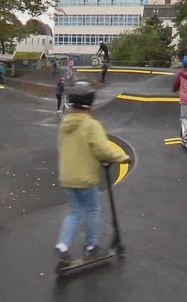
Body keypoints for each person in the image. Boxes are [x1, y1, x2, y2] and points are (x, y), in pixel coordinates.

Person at [55, 81, 131, 266]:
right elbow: (103, 149)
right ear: (90, 103)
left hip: (68, 176)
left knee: (75, 212)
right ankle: (91, 246)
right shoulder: (91, 125)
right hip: (86, 178)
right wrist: (122, 157)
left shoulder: (65, 124)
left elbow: (64, 147)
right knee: (93, 209)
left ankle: (63, 244)